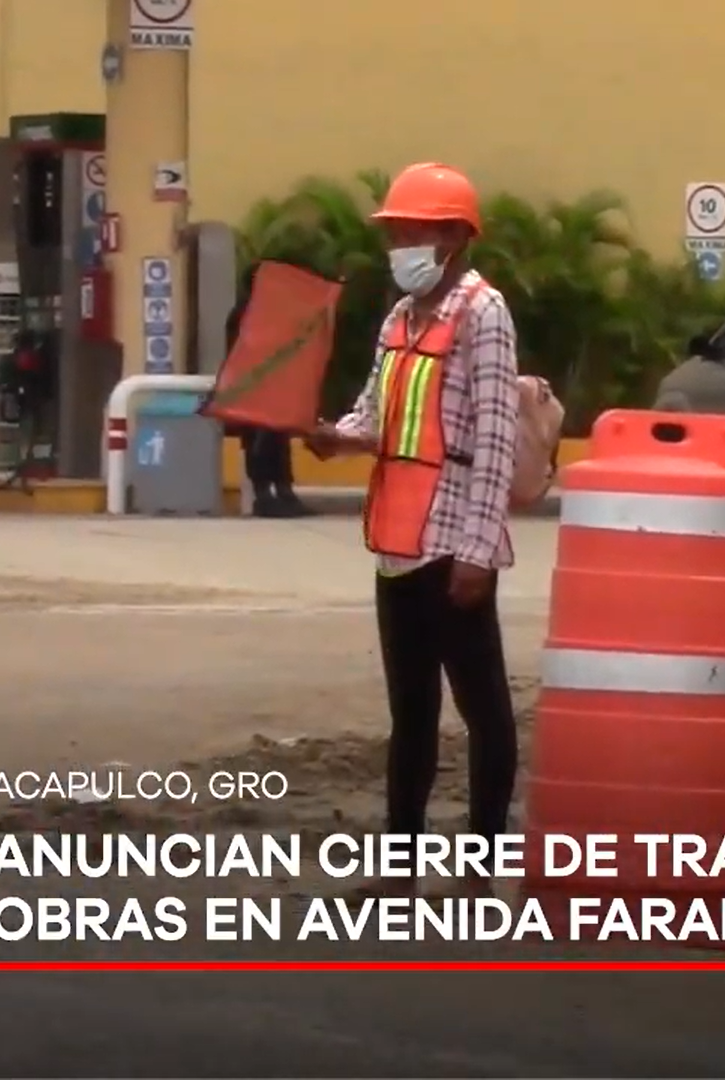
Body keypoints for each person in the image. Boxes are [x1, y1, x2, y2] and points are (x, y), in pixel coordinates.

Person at [306, 162, 521, 894]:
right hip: (398, 539)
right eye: (394, 232)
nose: (399, 243)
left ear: (456, 237)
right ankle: (400, 870)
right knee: (412, 714)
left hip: (453, 540)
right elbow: (377, 414)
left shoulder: (483, 313)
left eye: (412, 231)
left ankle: (480, 871)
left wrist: (478, 548)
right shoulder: (399, 319)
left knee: (484, 711)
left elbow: (494, 435)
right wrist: (335, 435)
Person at [224, 270, 309, 518]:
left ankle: (284, 492)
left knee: (278, 440)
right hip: (251, 388)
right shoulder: (243, 313)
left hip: (273, 386)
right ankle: (264, 496)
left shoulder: (271, 313)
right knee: (257, 443)